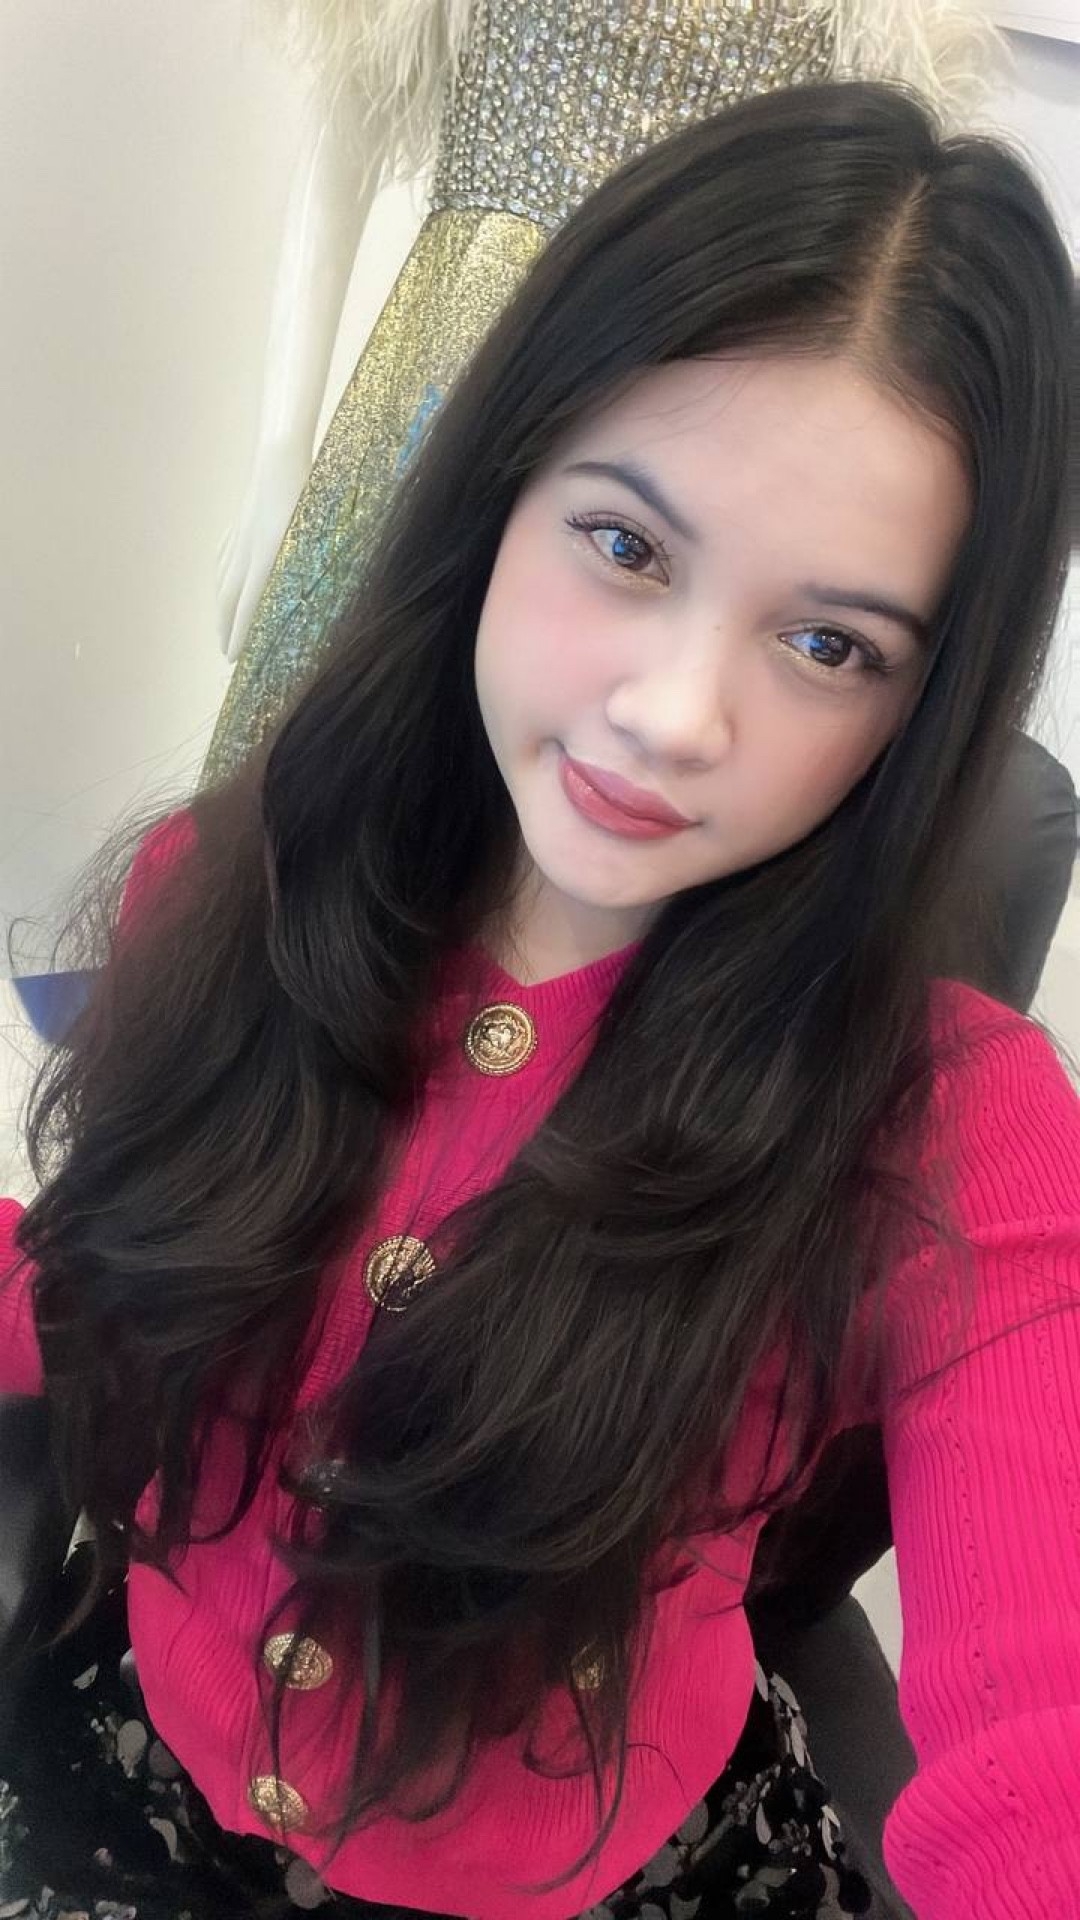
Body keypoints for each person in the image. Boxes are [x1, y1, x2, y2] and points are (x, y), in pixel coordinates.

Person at [1, 77, 1078, 1920]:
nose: (673, 713)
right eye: (628, 547)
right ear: (500, 493)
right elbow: (108, 1280)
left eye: (829, 644)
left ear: (925, 707)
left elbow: (1039, 1738)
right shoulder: (235, 879)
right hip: (142, 1771)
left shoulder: (954, 1126)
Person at [202, 0, 1001, 787]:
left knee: (587, 731)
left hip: (678, 395)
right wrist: (282, 449)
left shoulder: (880, 19)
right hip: (452, 371)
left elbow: (863, 238)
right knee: (344, 726)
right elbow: (347, 123)